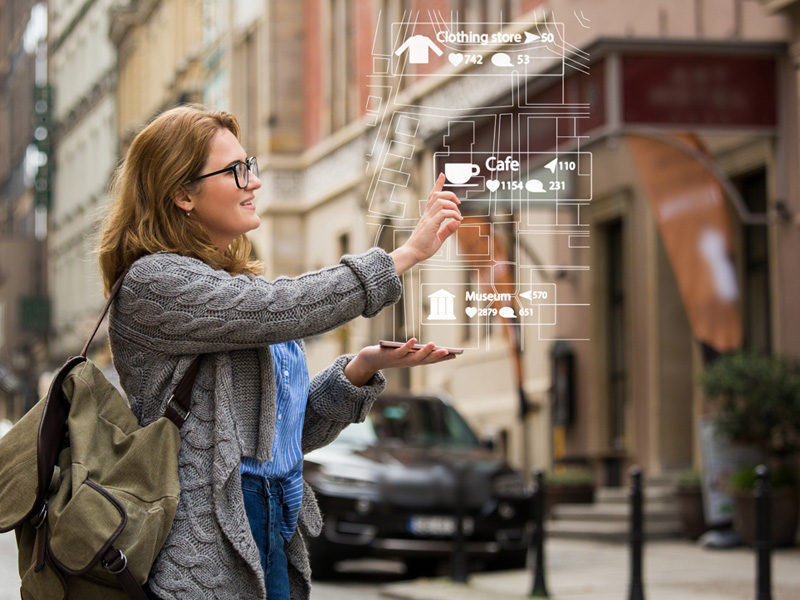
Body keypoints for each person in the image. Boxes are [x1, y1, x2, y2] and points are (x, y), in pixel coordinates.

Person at [96, 105, 462, 599]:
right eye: (236, 171)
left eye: (251, 166)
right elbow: (281, 307)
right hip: (199, 554)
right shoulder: (153, 284)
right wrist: (402, 256)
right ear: (182, 194)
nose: (254, 183)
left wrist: (359, 370)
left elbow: (283, 437)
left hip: (272, 530)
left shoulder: (232, 287)